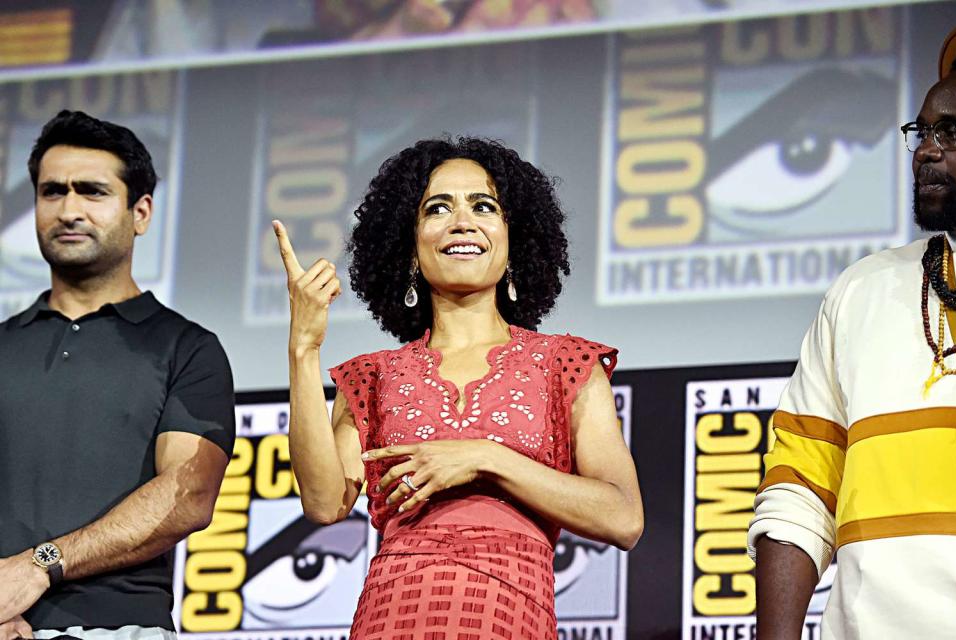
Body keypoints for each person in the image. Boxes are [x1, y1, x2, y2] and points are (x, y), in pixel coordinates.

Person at [274, 137, 644, 638]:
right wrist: (304, 348)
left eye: (484, 206)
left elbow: (622, 518)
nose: (462, 222)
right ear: (411, 246)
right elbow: (323, 503)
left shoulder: (564, 364)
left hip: (510, 618)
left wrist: (483, 456)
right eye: (437, 208)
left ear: (514, 238)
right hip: (392, 617)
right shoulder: (373, 375)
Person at [748, 27, 956, 639]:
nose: (926, 150)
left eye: (954, 131)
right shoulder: (862, 291)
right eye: (923, 131)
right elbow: (800, 488)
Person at [0, 111, 235, 640]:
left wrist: (39, 565)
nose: (69, 210)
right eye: (52, 192)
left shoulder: (188, 349)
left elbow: (188, 495)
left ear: (141, 212)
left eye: (93, 192)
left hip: (121, 627)